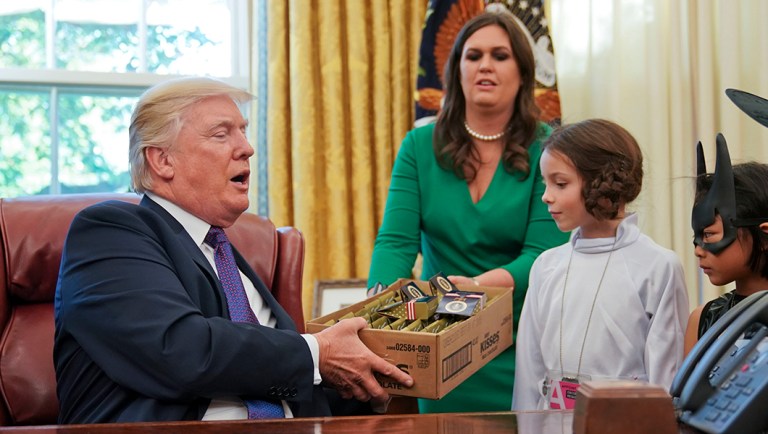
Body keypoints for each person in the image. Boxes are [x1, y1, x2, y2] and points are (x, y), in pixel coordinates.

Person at [53, 77, 413, 424]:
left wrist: (380, 374)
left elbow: (286, 383)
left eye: (243, 130)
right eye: (222, 134)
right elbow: (181, 351)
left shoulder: (228, 256)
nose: (247, 148)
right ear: (162, 161)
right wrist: (320, 353)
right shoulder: (109, 231)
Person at [367, 11, 568, 413]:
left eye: (500, 55)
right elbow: (396, 242)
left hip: (521, 339)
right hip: (445, 343)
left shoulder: (550, 147)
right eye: (473, 55)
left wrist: (471, 290)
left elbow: (544, 257)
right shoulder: (419, 145)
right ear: (456, 69)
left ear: (524, 72)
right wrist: (379, 309)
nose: (485, 66)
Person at [511, 119, 689, 410]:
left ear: (602, 183)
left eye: (560, 183)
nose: (546, 195)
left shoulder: (658, 267)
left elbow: (665, 380)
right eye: (545, 183)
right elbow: (529, 373)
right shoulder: (546, 266)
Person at [683, 89, 768, 355]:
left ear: (764, 235)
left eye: (709, 235)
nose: (698, 249)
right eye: (697, 236)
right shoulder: (702, 320)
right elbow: (686, 396)